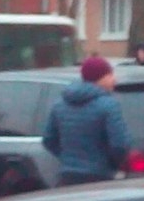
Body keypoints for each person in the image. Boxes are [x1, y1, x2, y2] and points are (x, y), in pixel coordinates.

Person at [42, 56, 132, 186]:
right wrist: (111, 164)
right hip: (99, 178)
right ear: (99, 78)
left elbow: (48, 140)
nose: (114, 79)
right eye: (110, 74)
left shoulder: (60, 104)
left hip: (67, 177)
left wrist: (68, 159)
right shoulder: (109, 105)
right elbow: (120, 145)